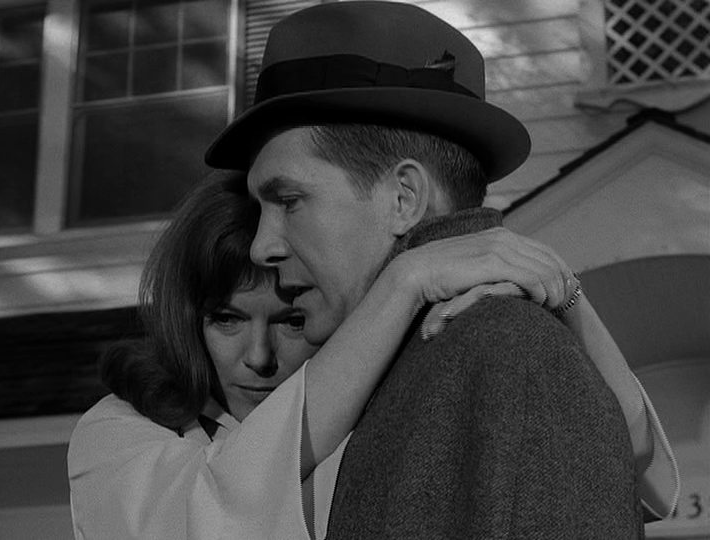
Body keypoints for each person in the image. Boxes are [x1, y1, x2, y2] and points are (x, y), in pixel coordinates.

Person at [203, 2, 678, 537]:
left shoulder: (504, 353)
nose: (261, 247)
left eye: (289, 201)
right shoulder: (392, 366)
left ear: (403, 198)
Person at [68, 173, 594, 539]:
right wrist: (407, 279)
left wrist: (562, 292)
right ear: (189, 320)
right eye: (226, 319)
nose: (259, 357)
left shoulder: (385, 410)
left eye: (290, 321)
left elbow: (607, 468)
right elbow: (205, 517)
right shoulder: (116, 430)